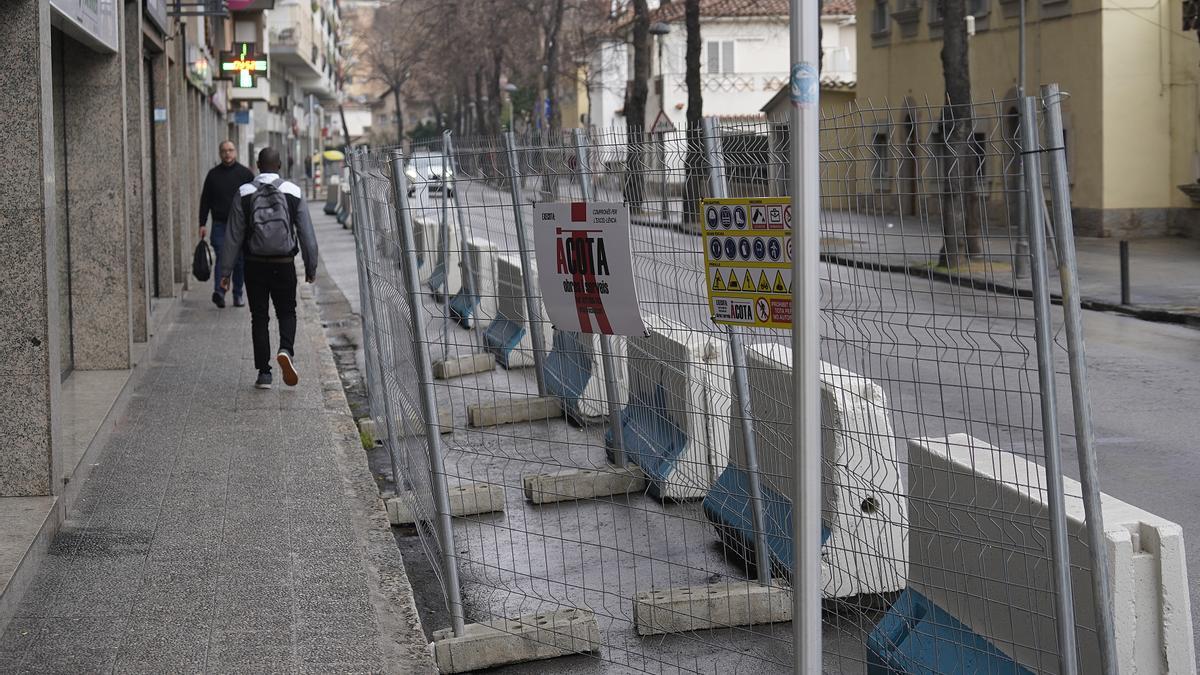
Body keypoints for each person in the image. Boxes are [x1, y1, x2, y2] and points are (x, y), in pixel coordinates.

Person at [219, 147, 319, 390]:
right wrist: (310, 266)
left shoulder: (244, 192)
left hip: (254, 265)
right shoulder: (293, 191)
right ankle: (286, 350)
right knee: (287, 312)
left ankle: (264, 373)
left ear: (257, 165)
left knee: (259, 318)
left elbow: (233, 236)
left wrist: (225, 272)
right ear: (280, 165)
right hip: (284, 264)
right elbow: (307, 235)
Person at [199, 140, 255, 308]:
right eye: (224, 151)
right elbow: (205, 201)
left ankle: (238, 294)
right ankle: (220, 292)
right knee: (223, 256)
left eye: (230, 150)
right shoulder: (213, 175)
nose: (227, 154)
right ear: (219, 153)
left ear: (235, 152)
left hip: (241, 226)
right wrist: (202, 223)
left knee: (239, 261)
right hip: (220, 224)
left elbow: (254, 199)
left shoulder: (245, 174)